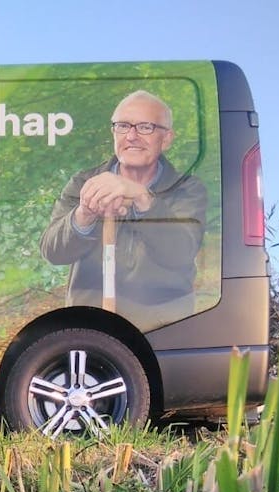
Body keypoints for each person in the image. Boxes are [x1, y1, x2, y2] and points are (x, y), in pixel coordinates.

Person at [40, 90, 207, 331]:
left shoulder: (186, 189)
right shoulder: (84, 183)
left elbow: (180, 252)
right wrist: (84, 215)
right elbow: (53, 252)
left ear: (166, 138)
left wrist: (143, 199)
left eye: (145, 127)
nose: (131, 136)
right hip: (93, 330)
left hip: (163, 331)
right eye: (123, 126)